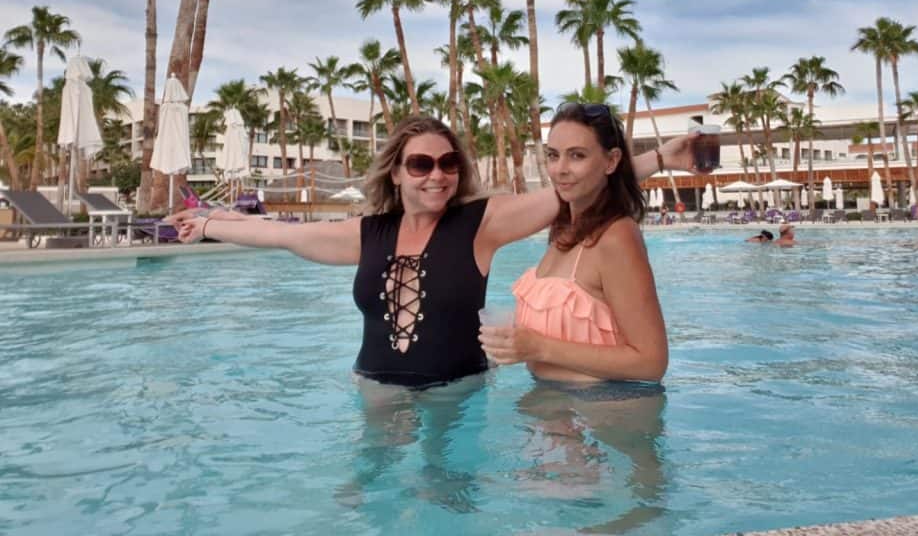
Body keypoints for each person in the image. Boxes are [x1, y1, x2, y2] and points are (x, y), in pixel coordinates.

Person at [169, 113, 697, 390]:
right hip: (375, 392)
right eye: (421, 165)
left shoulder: (480, 226)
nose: (437, 176)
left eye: (448, 164)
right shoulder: (368, 233)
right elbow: (279, 234)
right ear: (397, 172)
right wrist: (212, 222)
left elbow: (571, 184)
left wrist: (660, 157)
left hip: (458, 398)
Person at [478, 102, 669, 383]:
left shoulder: (617, 236)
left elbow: (652, 362)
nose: (560, 169)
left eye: (577, 156)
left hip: (607, 416)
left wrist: (538, 347)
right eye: (553, 156)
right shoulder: (564, 230)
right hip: (558, 412)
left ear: (611, 161)